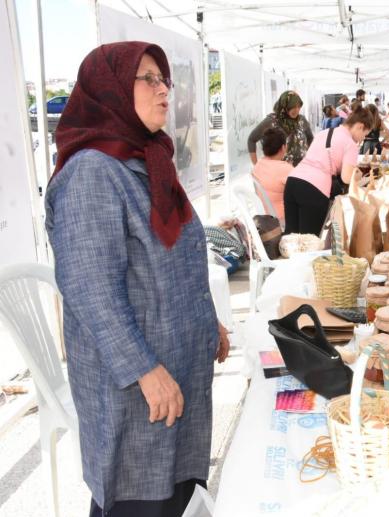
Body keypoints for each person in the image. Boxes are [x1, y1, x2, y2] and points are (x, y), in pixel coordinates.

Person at [45, 42, 230, 517]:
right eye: (147, 78)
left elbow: (181, 255)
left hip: (176, 371)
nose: (163, 89)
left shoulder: (149, 160)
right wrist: (145, 370)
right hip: (136, 389)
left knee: (174, 493)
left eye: (163, 78)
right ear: (109, 89)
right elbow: (89, 288)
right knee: (139, 498)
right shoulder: (92, 171)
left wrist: (209, 322)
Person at [284, 106, 374, 235]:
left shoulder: (324, 133)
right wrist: (358, 175)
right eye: (364, 134)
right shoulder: (350, 144)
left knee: (290, 237)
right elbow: (347, 178)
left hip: (293, 181)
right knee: (310, 241)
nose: (363, 139)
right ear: (360, 126)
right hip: (314, 189)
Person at [247, 91, 313, 166]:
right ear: (284, 106)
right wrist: (256, 165)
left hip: (301, 169)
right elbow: (251, 140)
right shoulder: (272, 121)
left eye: (299, 106)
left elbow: (310, 138)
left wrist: (309, 157)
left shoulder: (301, 120)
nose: (296, 110)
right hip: (279, 170)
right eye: (293, 107)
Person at [252, 127, 293, 223]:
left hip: (263, 218)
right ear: (283, 147)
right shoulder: (286, 169)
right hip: (282, 220)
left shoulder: (258, 165)